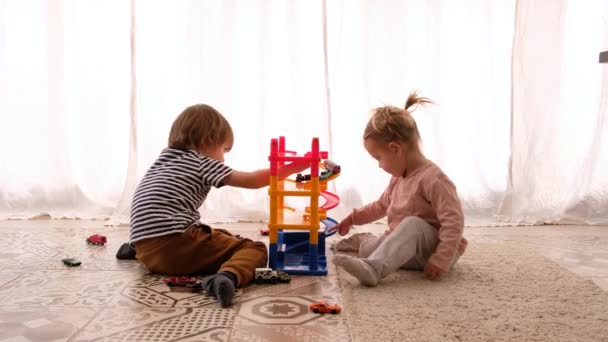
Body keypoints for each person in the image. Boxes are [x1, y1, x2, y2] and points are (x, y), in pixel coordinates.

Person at [129, 104, 308, 307]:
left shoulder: (163, 159)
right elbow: (253, 180)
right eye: (224, 150)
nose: (223, 158)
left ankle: (132, 249)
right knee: (255, 248)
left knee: (215, 234)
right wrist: (296, 166)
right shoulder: (200, 161)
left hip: (145, 249)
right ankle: (227, 277)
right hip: (175, 245)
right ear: (208, 140)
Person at [332, 92, 467, 286]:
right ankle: (364, 242)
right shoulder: (397, 179)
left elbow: (454, 221)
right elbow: (380, 206)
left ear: (395, 149)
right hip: (406, 251)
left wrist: (441, 259)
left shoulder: (434, 179)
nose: (379, 165)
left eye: (378, 158)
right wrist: (353, 218)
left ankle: (373, 269)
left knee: (413, 224)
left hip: (433, 250)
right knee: (369, 249)